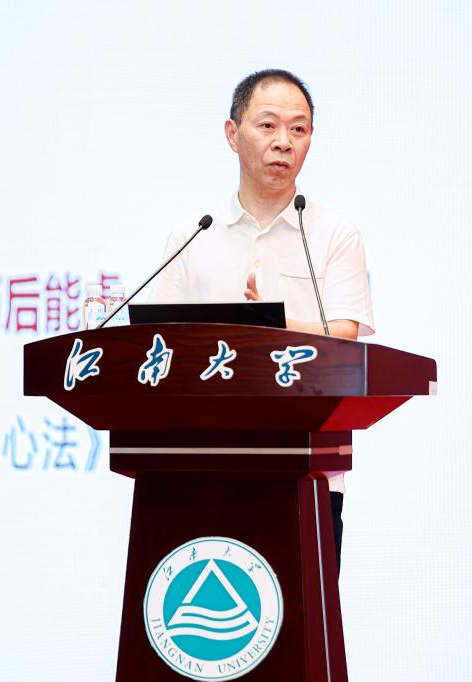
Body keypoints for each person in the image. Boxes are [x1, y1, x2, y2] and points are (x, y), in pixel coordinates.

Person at [149, 69, 374, 569]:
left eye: (299, 129)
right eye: (268, 125)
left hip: (306, 472)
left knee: (300, 615)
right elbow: (158, 343)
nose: (284, 142)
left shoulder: (334, 235)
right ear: (233, 134)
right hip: (197, 468)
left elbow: (345, 337)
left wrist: (275, 327)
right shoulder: (193, 235)